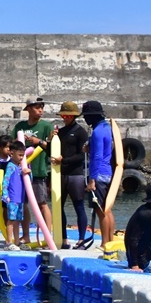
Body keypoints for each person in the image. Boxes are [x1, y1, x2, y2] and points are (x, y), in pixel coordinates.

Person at [12, 97, 54, 243]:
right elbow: (12, 147)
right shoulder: (20, 126)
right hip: (21, 171)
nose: (40, 110)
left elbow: (54, 148)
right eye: (37, 107)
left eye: (42, 107)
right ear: (28, 109)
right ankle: (26, 235)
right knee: (22, 204)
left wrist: (39, 142)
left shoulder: (46, 127)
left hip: (38, 171)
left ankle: (48, 235)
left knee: (42, 203)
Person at [52, 102, 90, 248]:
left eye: (68, 116)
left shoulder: (80, 132)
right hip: (60, 174)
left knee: (79, 206)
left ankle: (81, 239)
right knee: (58, 206)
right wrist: (49, 140)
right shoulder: (60, 132)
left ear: (74, 116)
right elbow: (51, 151)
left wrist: (65, 160)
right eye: (63, 115)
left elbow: (82, 156)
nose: (65, 118)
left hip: (75, 174)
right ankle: (64, 239)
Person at [82, 100, 115, 245]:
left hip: (99, 174)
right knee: (108, 209)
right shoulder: (107, 128)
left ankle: (105, 243)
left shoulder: (97, 132)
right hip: (108, 172)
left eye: (86, 116)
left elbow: (97, 156)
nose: (85, 119)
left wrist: (92, 180)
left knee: (101, 210)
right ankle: (110, 241)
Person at [1, 141, 27, 250]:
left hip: (20, 198)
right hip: (12, 198)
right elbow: (5, 181)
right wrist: (5, 194)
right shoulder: (11, 166)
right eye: (19, 155)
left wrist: (27, 173)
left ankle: (17, 241)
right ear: (12, 153)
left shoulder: (21, 167)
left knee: (17, 220)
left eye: (23, 155)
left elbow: (28, 181)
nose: (21, 158)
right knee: (11, 220)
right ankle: (9, 242)